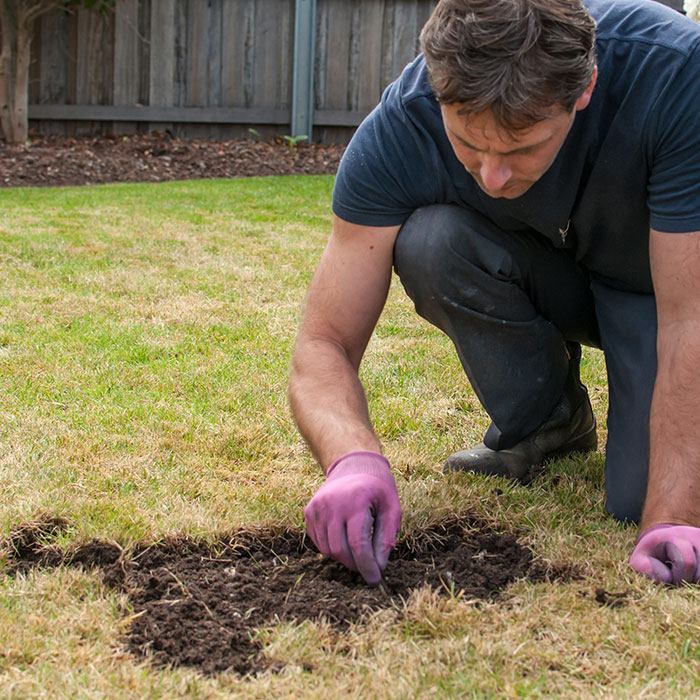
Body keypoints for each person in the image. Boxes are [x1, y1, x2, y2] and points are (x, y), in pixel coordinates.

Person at [289, 0, 700, 587]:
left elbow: (691, 319)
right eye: (468, 144)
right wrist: (351, 458)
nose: (492, 176)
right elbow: (323, 343)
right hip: (561, 271)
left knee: (642, 500)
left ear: (585, 88)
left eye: (520, 148)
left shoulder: (675, 74)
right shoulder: (403, 125)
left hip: (663, 291)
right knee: (432, 242)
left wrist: (676, 516)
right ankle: (549, 422)